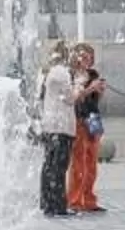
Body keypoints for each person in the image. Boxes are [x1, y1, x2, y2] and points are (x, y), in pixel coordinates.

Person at [35, 42, 76, 217]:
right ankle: (58, 204)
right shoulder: (62, 72)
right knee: (59, 167)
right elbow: (69, 98)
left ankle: (46, 201)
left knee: (48, 165)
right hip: (61, 125)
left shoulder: (44, 72)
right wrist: (82, 87)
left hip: (48, 124)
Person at [66, 43, 106, 214]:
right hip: (78, 118)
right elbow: (75, 98)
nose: (87, 60)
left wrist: (100, 90)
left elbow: (95, 99)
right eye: (83, 56)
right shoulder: (71, 76)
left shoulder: (93, 74)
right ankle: (74, 200)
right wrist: (91, 88)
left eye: (90, 56)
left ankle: (89, 198)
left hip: (93, 117)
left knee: (92, 162)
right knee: (78, 163)